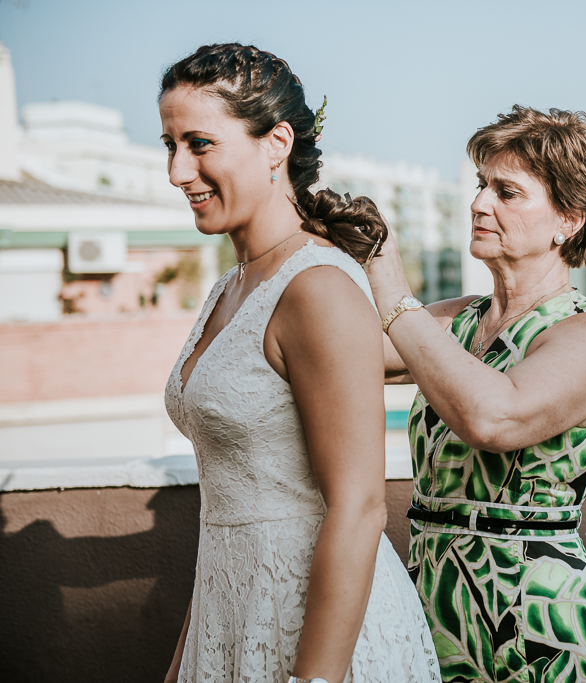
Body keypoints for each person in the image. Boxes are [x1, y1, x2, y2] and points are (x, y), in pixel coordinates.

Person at [159, 44, 440, 683]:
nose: (178, 171)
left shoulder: (317, 288)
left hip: (316, 635)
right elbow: (228, 512)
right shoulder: (230, 287)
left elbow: (361, 505)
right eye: (169, 144)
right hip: (229, 618)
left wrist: (315, 678)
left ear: (275, 142)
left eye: (200, 144)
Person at [365, 106, 586, 683]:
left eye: (507, 191)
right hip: (430, 616)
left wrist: (388, 278)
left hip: (539, 631)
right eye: (482, 186)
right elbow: (337, 356)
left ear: (568, 219)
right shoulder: (456, 321)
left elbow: (493, 417)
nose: (480, 204)